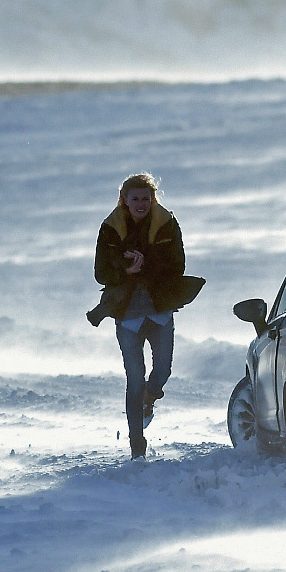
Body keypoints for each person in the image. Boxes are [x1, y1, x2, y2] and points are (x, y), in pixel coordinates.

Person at [90, 173, 203, 459]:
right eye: (135, 199)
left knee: (162, 370)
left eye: (146, 198)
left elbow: (178, 266)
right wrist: (125, 270)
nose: (141, 204)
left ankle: (150, 397)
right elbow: (100, 273)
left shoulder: (166, 223)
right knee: (134, 379)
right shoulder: (110, 227)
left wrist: (146, 265)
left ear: (153, 199)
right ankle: (136, 445)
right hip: (127, 315)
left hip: (160, 310)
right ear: (124, 200)